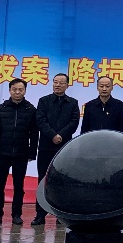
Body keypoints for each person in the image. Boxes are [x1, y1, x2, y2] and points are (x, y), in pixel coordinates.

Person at [0, 78, 38, 226]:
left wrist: (32, 153)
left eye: (20, 90)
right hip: (2, 153)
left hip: (21, 154)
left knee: (19, 186)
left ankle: (17, 214)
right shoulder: (1, 109)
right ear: (10, 90)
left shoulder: (30, 109)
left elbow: (34, 134)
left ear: (25, 91)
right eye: (14, 89)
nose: (17, 92)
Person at [33, 73, 80, 226]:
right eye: (55, 82)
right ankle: (40, 214)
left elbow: (74, 122)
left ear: (67, 85)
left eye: (61, 83)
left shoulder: (73, 103)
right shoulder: (44, 101)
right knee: (43, 179)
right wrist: (53, 135)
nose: (57, 85)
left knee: (62, 180)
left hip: (64, 148)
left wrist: (61, 135)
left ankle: (61, 215)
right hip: (46, 147)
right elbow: (40, 120)